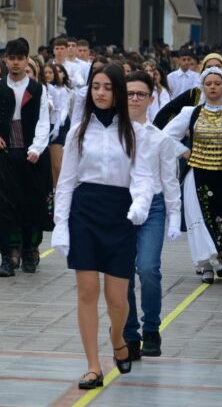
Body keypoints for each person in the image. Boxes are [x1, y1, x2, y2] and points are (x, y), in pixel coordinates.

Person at [52, 62, 153, 389]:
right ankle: (93, 366)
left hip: (120, 214)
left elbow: (143, 178)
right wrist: (61, 224)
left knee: (117, 299)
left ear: (118, 92)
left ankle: (118, 338)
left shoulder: (134, 132)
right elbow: (66, 182)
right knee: (87, 292)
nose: (100, 93)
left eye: (108, 87)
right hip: (84, 213)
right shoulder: (78, 131)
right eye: (96, 86)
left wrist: (139, 206)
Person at [163, 67, 222, 284]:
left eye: (217, 84)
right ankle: (205, 265)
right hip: (198, 173)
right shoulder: (190, 112)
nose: (213, 87)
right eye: (208, 84)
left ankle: (221, 259)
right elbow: (166, 135)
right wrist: (183, 151)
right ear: (202, 87)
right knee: (201, 219)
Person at [0, 38, 51, 276]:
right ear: (5, 60)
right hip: (3, 154)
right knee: (2, 207)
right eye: (12, 58)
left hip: (29, 155)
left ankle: (29, 252)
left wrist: (36, 149)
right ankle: (7, 258)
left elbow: (43, 123)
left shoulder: (37, 89)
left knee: (29, 204)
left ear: (27, 60)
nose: (16, 63)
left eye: (20, 58)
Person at [123, 71, 182, 360]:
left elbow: (170, 180)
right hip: (120, 205)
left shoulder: (161, 139)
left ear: (151, 98)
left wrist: (175, 217)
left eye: (140, 94)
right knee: (121, 273)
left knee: (147, 268)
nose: (134, 99)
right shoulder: (111, 134)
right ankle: (129, 332)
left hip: (154, 207)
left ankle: (151, 328)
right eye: (129, 94)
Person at [47, 62, 72, 186]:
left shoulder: (62, 90)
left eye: (50, 72)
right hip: (46, 125)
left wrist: (57, 126)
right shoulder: (42, 87)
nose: (48, 75)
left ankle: (60, 187)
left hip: (59, 124)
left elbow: (64, 109)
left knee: (56, 162)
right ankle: (52, 189)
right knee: (48, 163)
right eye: (45, 72)